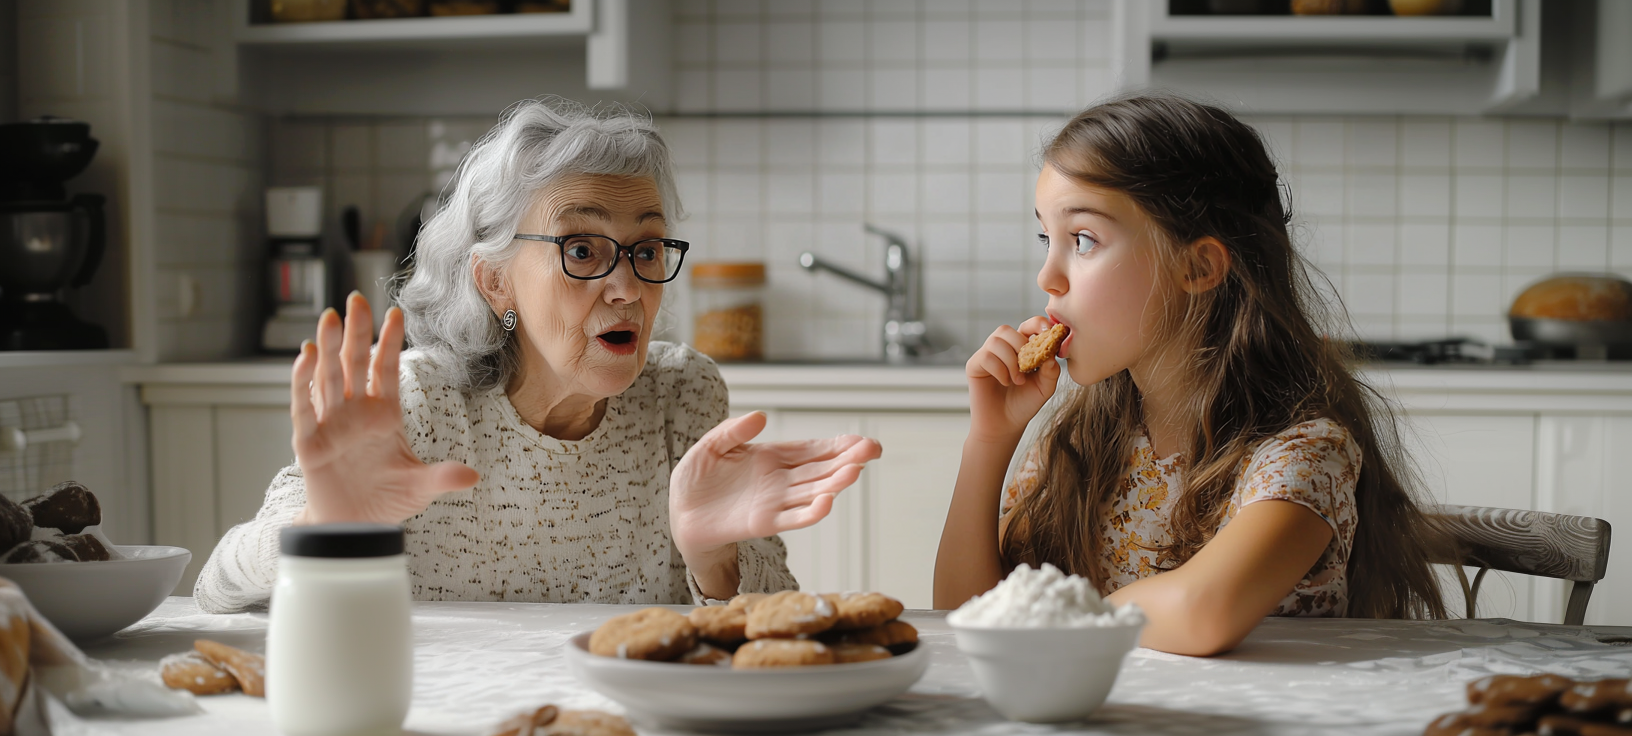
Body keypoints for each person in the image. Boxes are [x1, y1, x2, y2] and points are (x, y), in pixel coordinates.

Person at [196, 100, 881, 613]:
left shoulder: (682, 395)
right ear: (494, 281)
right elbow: (216, 586)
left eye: (645, 249)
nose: (627, 287)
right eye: (581, 250)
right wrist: (323, 524)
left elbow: (779, 630)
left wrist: (713, 560)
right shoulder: (420, 405)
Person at [933, 93, 1447, 656]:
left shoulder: (1305, 453)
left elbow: (1203, 612)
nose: (1048, 275)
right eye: (1045, 239)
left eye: (1082, 240)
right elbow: (966, 619)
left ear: (1197, 266)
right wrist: (989, 439)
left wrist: (1046, 618)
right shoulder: (1080, 445)